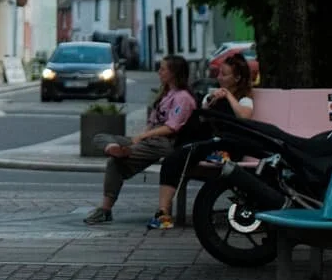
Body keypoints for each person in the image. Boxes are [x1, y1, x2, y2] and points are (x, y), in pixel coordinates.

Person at [142, 53, 255, 230]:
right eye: (218, 74)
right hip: (207, 144)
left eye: (224, 75)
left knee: (220, 115)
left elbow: (245, 117)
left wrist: (227, 96)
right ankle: (163, 214)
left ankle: (217, 153)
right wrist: (211, 101)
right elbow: (201, 123)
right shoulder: (213, 95)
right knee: (173, 159)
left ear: (237, 77)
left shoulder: (244, 99)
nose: (219, 78)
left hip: (231, 144)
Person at [85, 55, 196, 227]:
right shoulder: (165, 94)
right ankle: (116, 148)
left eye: (163, 69)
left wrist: (142, 138)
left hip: (165, 143)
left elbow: (171, 127)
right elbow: (151, 123)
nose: (159, 72)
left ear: (174, 73)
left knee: (115, 162)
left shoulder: (183, 98)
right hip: (150, 140)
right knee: (100, 138)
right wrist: (139, 138)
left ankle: (105, 209)